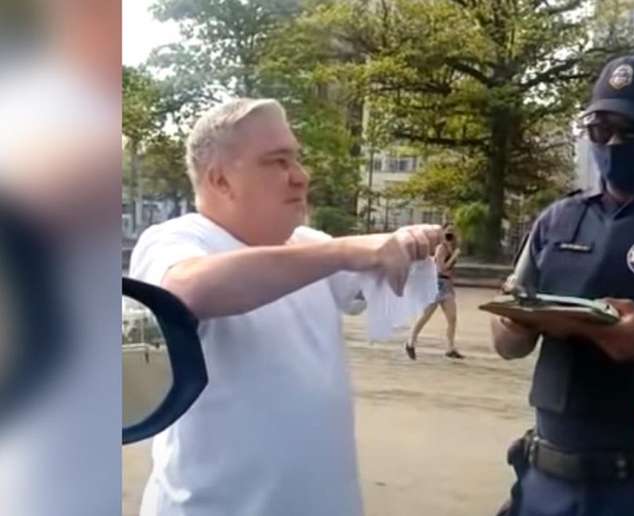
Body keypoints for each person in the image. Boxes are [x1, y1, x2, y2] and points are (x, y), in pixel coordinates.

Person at [129, 98, 442, 516]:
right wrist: (346, 251)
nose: (301, 177)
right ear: (220, 180)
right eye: (277, 162)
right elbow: (186, 290)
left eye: (296, 158)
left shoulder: (307, 244)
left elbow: (377, 277)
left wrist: (411, 241)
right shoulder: (177, 239)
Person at [491, 55, 634, 516]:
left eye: (631, 129)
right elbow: (507, 343)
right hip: (548, 481)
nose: (613, 143)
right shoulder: (557, 219)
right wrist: (517, 325)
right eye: (600, 130)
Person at [405, 223, 464, 360]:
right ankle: (410, 342)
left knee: (452, 318)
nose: (450, 235)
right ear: (443, 233)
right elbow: (441, 268)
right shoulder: (441, 249)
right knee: (426, 316)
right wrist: (454, 256)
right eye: (448, 232)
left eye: (452, 232)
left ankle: (450, 348)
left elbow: (449, 270)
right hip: (437, 284)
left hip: (447, 286)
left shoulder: (452, 247)